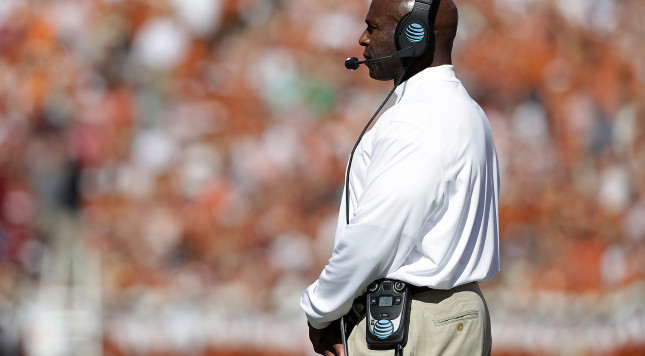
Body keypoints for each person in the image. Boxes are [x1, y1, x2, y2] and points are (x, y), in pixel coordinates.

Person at [300, 0, 500, 355]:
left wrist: (320, 310)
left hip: (413, 322)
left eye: (374, 27)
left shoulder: (414, 123)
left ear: (414, 34)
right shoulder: (468, 110)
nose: (362, 39)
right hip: (454, 316)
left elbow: (375, 236)